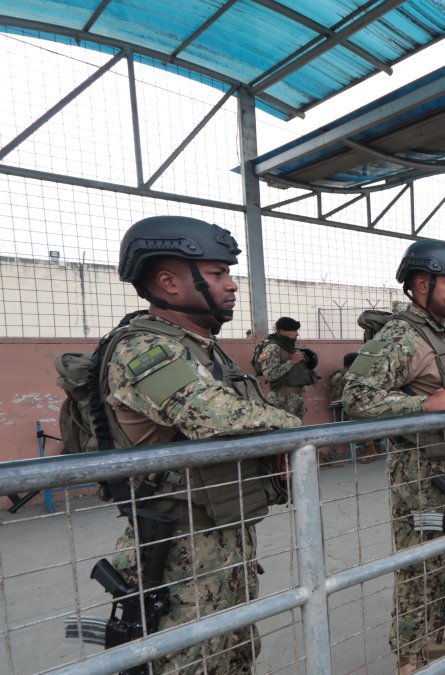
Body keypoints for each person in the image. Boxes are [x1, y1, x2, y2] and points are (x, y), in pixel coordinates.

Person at [101, 216, 300, 672]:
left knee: (234, 653)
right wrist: (293, 430)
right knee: (188, 659)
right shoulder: (141, 348)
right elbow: (211, 414)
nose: (231, 285)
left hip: (223, 529)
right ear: (168, 283)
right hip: (177, 542)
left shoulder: (203, 348)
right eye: (217, 274)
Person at [342, 239, 445, 673]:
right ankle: (411, 656)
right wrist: (421, 406)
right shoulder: (401, 335)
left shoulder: (441, 334)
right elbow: (355, 397)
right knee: (421, 563)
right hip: (423, 481)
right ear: (420, 283)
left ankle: (441, 633)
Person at [255, 316, 319, 420]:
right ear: (282, 331)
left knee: (298, 430)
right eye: (294, 330)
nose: (297, 333)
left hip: (296, 397)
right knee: (284, 431)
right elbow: (270, 374)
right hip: (282, 399)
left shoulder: (288, 346)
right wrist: (292, 362)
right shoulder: (272, 348)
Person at [330, 353, 378, 464]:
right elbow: (338, 399)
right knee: (362, 418)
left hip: (366, 405)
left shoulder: (364, 374)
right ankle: (370, 448)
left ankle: (374, 446)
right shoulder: (340, 377)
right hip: (348, 408)